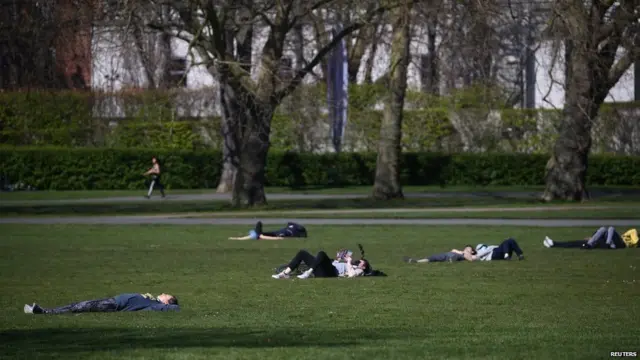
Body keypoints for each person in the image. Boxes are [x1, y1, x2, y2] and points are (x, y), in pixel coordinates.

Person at [23, 292, 179, 315]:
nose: (164, 293)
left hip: (113, 305)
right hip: (112, 301)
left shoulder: (155, 305)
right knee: (78, 305)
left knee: (80, 307)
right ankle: (46, 311)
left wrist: (170, 305)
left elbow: (175, 308)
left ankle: (45, 312)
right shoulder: (151, 300)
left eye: (167, 295)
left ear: (167, 301)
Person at [272, 248, 370, 279]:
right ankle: (285, 274)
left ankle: (308, 272)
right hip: (324, 269)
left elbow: (352, 275)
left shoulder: (359, 270)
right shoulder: (347, 263)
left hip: (331, 273)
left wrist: (348, 262)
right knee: (302, 253)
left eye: (360, 262)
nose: (357, 262)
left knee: (321, 253)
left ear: (364, 267)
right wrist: (339, 259)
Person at [544, 226, 638, 249]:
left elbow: (635, 241)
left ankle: (607, 244)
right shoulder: (632, 233)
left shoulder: (634, 235)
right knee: (603, 229)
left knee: (611, 228)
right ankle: (554, 243)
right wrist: (593, 238)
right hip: (608, 241)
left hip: (618, 244)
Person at [229, 221, 308, 241]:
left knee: (259, 232)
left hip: (276, 233)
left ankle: (259, 235)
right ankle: (258, 234)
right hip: (275, 232)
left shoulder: (290, 232)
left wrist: (262, 237)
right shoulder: (293, 227)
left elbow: (278, 238)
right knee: (258, 230)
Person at [403, 245, 477, 263]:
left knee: (455, 255)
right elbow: (452, 250)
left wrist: (464, 253)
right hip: (447, 254)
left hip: (455, 256)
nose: (466, 248)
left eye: (469, 248)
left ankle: (451, 259)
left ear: (472, 251)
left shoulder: (472, 255)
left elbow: (470, 259)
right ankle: (417, 261)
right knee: (434, 257)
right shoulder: (460, 251)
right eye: (466, 247)